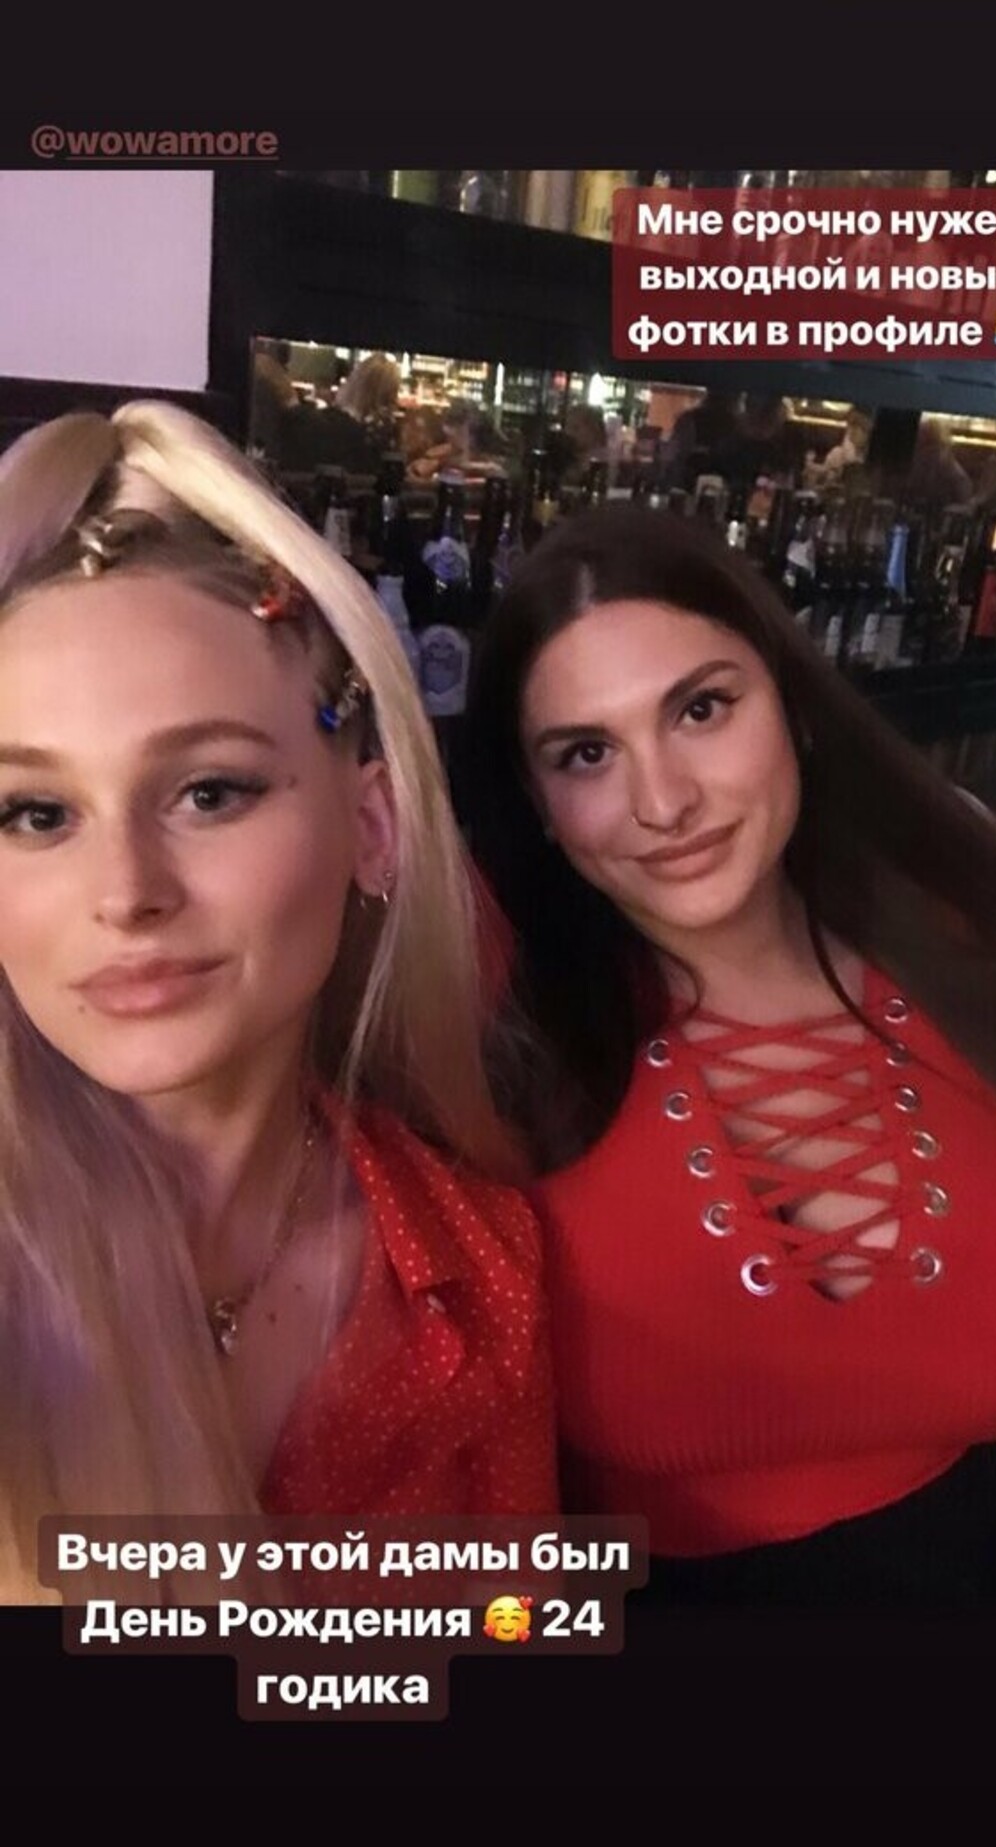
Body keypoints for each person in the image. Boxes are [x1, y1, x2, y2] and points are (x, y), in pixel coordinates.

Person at [465, 503, 996, 1608]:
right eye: (587, 753)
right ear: (539, 803)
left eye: (701, 708)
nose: (664, 802)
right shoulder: (491, 1054)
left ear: (793, 707)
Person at [0, 400, 556, 1603]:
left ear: (371, 826)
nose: (126, 893)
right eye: (36, 813)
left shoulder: (473, 1267)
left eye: (208, 791)